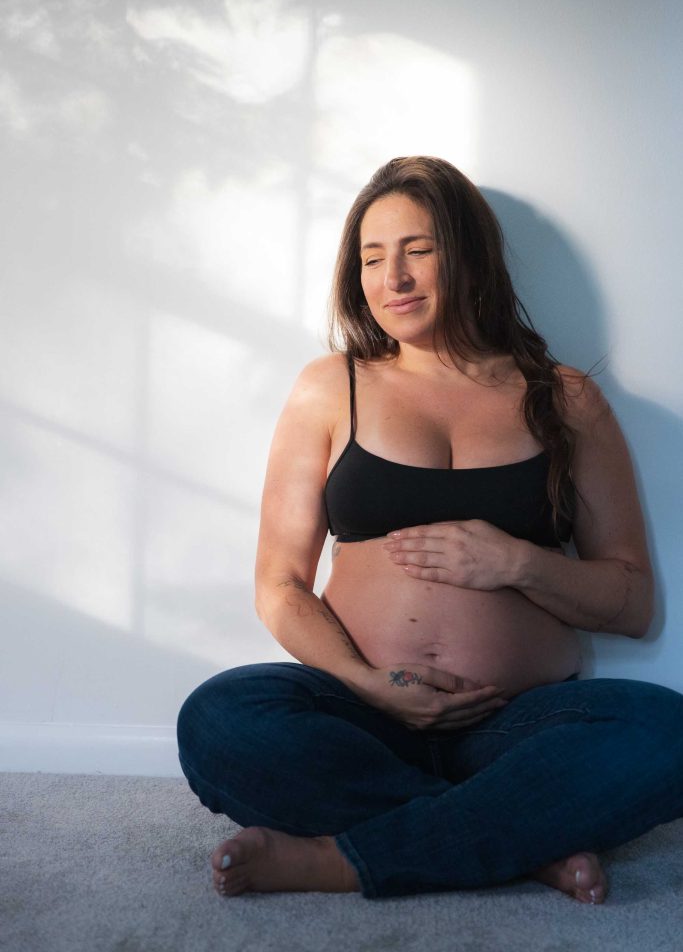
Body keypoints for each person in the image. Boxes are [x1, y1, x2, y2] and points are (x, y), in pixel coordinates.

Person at [177, 156, 683, 902]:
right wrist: (366, 684)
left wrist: (517, 563)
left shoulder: (564, 398)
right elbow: (280, 585)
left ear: (468, 257)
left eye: (417, 249)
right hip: (362, 716)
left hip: (515, 727)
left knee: (664, 731)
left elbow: (632, 602)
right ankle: (515, 845)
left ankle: (340, 860)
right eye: (372, 258)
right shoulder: (331, 386)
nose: (394, 278)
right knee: (221, 718)